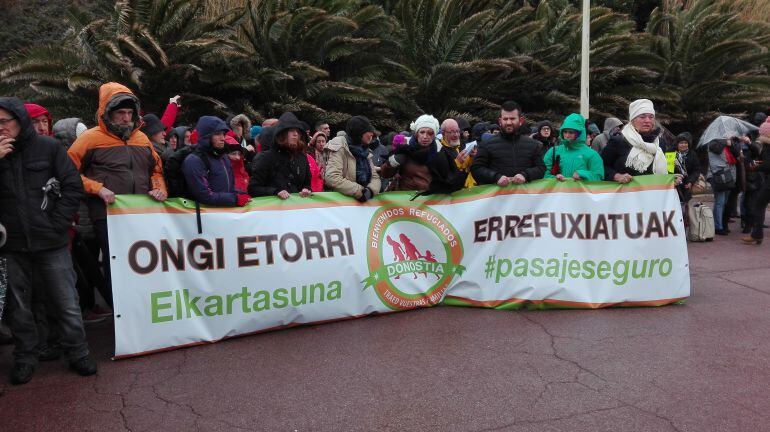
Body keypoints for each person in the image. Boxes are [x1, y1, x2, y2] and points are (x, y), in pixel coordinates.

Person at [0, 96, 97, 384]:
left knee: (66, 301)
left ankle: (78, 352)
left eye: (4, 122)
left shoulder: (49, 148)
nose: (0, 128)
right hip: (11, 246)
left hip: (51, 242)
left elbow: (72, 186)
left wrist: (58, 224)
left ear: (19, 121)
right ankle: (25, 357)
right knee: (19, 308)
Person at [67, 82, 167, 296]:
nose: (126, 118)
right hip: (107, 215)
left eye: (130, 113)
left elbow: (156, 170)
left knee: (144, 263)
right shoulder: (89, 139)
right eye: (120, 113)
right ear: (106, 113)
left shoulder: (142, 139)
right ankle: (120, 316)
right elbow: (67, 173)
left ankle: (144, 306)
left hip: (141, 213)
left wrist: (159, 188)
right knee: (117, 265)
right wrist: (97, 188)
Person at [471, 101, 546, 186]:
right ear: (500, 121)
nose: (508, 122)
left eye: (512, 119)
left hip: (524, 197)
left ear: (520, 120)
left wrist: (525, 175)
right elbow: (476, 169)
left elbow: (541, 169)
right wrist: (496, 177)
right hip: (497, 198)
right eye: (505, 119)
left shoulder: (533, 145)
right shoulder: (487, 144)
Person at [182, 116, 250, 206]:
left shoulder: (223, 157)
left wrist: (240, 193)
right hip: (206, 216)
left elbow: (227, 188)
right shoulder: (194, 160)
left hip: (224, 213)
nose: (222, 138)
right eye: (217, 134)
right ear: (207, 136)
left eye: (223, 134)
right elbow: (204, 196)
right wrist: (235, 199)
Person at [602, 99, 669, 183]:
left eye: (651, 117)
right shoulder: (619, 141)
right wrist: (616, 176)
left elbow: (665, 168)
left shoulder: (660, 143)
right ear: (633, 120)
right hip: (624, 193)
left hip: (652, 193)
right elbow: (602, 166)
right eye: (642, 117)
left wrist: (671, 179)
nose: (647, 121)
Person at [248, 112, 312, 199]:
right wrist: (275, 191)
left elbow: (307, 183)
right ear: (282, 133)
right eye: (291, 130)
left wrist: (306, 189)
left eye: (298, 131)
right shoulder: (265, 157)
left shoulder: (302, 157)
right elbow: (253, 189)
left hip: (296, 209)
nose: (296, 134)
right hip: (273, 210)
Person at [324, 115, 381, 201]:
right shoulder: (340, 146)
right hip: (343, 205)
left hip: (364, 203)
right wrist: (359, 191)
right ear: (358, 133)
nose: (371, 134)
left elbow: (375, 177)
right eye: (368, 131)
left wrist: (370, 191)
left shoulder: (365, 151)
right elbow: (332, 177)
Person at [380, 114, 438, 192]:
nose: (425, 136)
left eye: (430, 133)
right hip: (405, 200)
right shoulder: (404, 149)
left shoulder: (440, 152)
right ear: (417, 134)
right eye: (422, 132)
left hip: (430, 200)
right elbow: (385, 175)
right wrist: (391, 162)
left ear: (434, 135)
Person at [543, 113, 604, 181]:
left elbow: (599, 177)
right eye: (565, 132)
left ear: (579, 134)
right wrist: (555, 178)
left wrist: (582, 174)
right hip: (558, 191)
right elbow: (543, 173)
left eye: (571, 132)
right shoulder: (553, 151)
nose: (567, 135)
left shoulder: (592, 154)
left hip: (580, 191)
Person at [742, 118, 770, 245]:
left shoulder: (768, 147)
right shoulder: (765, 147)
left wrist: (756, 166)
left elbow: (768, 165)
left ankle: (757, 235)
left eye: (762, 132)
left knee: (759, 205)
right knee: (760, 205)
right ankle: (757, 234)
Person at [706, 136, 742, 235]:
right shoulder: (713, 142)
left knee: (725, 202)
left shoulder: (730, 143)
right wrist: (725, 141)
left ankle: (719, 224)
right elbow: (716, 150)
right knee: (720, 201)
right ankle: (718, 226)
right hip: (719, 176)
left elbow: (737, 154)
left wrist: (732, 143)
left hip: (730, 176)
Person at [672, 133, 702, 218]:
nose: (684, 145)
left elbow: (696, 170)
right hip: (674, 184)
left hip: (686, 185)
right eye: (681, 143)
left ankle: (685, 224)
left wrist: (691, 181)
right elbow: (666, 170)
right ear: (677, 144)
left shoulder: (692, 154)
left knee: (684, 207)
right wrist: (674, 178)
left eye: (686, 143)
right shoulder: (670, 153)